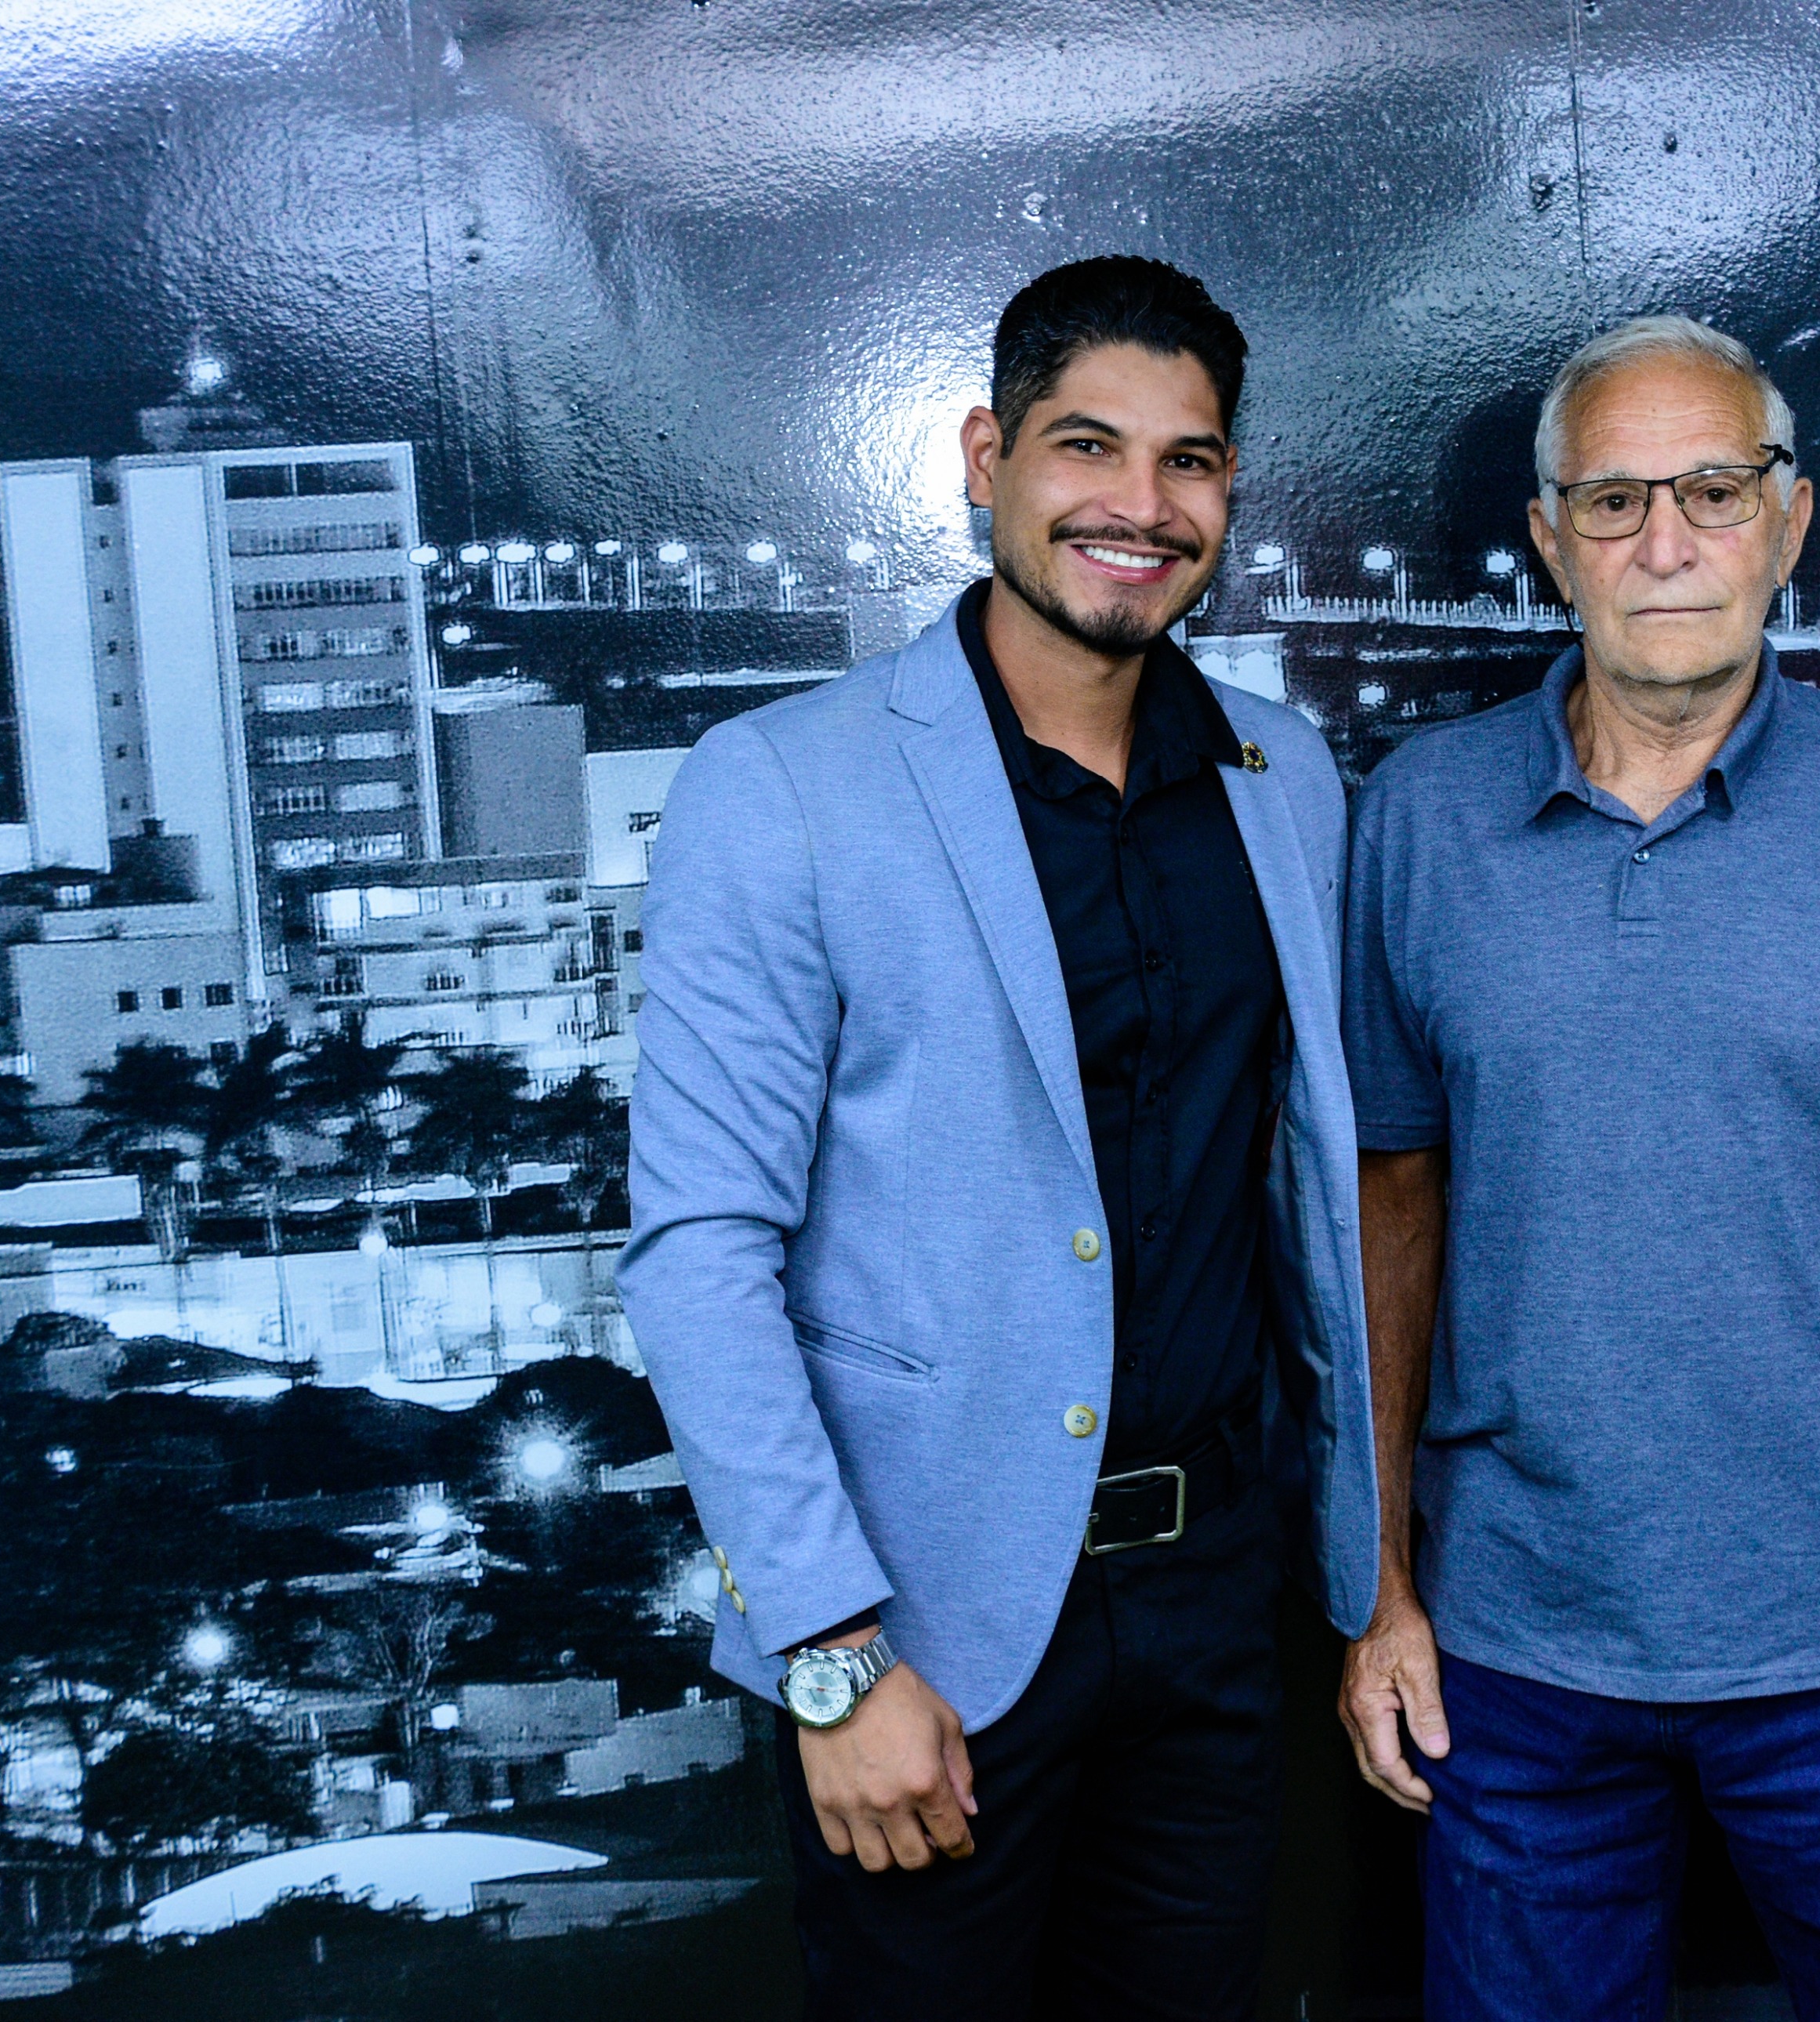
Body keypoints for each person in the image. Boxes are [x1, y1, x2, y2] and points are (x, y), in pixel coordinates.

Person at [618, 255, 1378, 2022]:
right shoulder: (783, 782)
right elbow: (701, 1256)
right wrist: (831, 1657)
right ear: (986, 457)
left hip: (1219, 1610)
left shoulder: (1285, 780)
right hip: (924, 1629)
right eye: (1086, 447)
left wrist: (1357, 1570)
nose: (1139, 505)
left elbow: (1306, 1204)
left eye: (1189, 461)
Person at [1336, 314, 1820, 2020]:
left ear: (1790, 518)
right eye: (1612, 501)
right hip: (1517, 1653)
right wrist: (1378, 1587)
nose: (1665, 543)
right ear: (1548, 540)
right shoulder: (1419, 820)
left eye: (1714, 490)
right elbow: (1391, 1216)